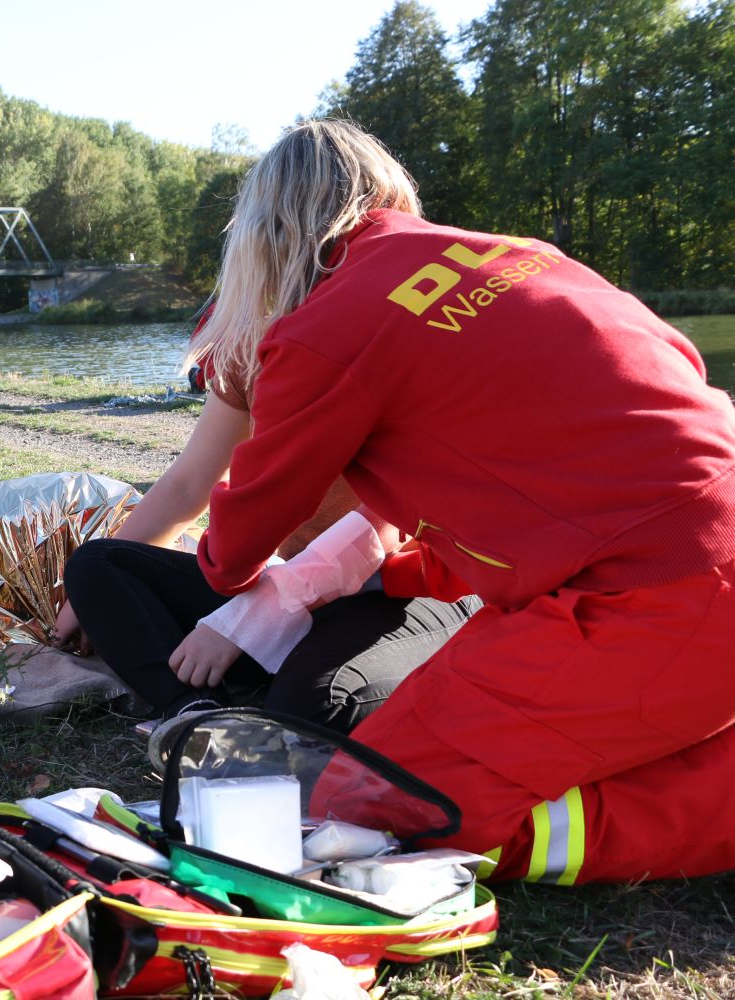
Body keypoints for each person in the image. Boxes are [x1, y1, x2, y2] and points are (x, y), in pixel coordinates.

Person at [184, 119, 735, 884]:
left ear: (265, 237)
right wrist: (397, 572)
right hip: (683, 562)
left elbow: (246, 530)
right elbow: (596, 465)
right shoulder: (526, 255)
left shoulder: (322, 330)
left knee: (374, 805)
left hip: (662, 599)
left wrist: (235, 585)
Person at [58, 385, 480, 734]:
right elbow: (189, 485)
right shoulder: (246, 347)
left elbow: (384, 526)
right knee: (97, 564)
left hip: (403, 589)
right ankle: (196, 710)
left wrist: (251, 619)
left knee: (310, 713)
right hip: (299, 591)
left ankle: (302, 678)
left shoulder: (396, 346)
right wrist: (88, 598)